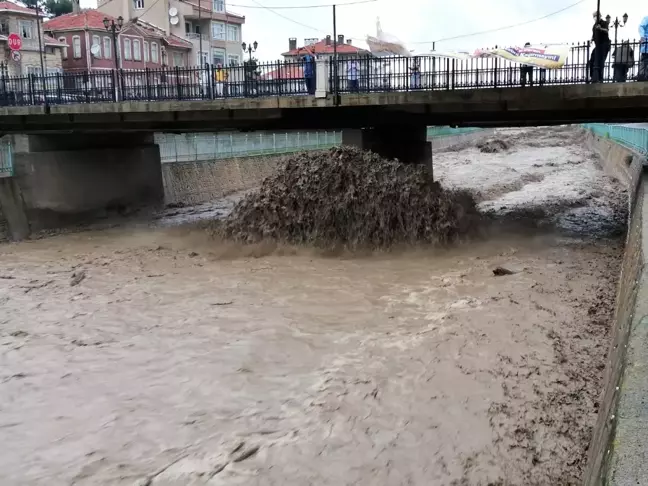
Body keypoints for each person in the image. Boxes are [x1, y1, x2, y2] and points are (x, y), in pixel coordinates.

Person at [590, 11, 611, 83]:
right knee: (593, 59)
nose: (595, 17)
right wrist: (592, 39)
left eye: (596, 16)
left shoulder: (604, 23)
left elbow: (607, 30)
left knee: (601, 61)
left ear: (599, 16)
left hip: (604, 44)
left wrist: (600, 28)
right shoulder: (594, 25)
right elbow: (594, 34)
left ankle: (600, 78)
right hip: (598, 45)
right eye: (594, 16)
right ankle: (593, 76)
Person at [639, 15, 648, 81]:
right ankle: (642, 75)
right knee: (644, 61)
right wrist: (642, 37)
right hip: (646, 44)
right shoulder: (647, 18)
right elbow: (641, 27)